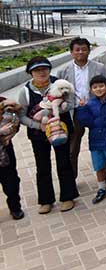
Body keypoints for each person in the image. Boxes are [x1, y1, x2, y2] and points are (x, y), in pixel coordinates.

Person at [18, 57, 79, 213]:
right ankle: (46, 200)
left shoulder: (60, 84)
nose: (41, 72)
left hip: (61, 130)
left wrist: (55, 108)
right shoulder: (25, 91)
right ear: (30, 73)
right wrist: (38, 125)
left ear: (50, 70)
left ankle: (68, 197)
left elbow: (71, 103)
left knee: (64, 162)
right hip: (38, 134)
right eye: (37, 70)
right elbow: (22, 116)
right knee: (42, 166)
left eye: (44, 69)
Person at [56, 36, 106, 179]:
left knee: (103, 141)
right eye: (77, 50)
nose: (80, 52)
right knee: (73, 146)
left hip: (97, 110)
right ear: (71, 52)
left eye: (84, 49)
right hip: (75, 111)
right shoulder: (63, 71)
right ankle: (71, 178)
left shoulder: (99, 68)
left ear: (89, 50)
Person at [76, 75, 106, 204]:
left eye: (101, 86)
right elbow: (86, 122)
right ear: (91, 90)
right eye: (95, 87)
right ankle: (101, 188)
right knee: (98, 166)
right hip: (96, 139)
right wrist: (81, 108)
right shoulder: (90, 104)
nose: (99, 89)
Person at [0, 97, 24, 220]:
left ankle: (15, 207)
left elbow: (15, 121)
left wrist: (12, 130)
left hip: (5, 149)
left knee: (11, 181)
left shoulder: (2, 102)